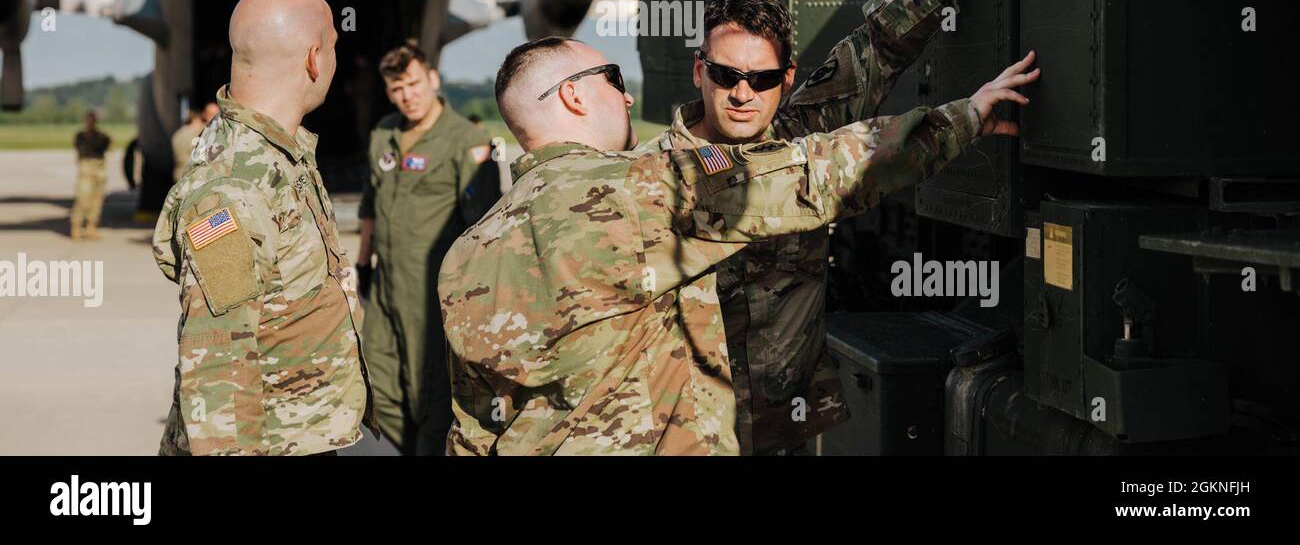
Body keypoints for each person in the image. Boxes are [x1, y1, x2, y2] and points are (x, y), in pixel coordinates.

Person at [437, 36, 1038, 454]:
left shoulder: (466, 252)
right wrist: (966, 117)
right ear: (572, 96)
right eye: (613, 80)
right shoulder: (638, 190)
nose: (625, 97)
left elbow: (474, 423)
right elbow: (813, 173)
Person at [644, 0, 1020, 454]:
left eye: (762, 78)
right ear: (700, 71)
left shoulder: (795, 128)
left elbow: (885, 36)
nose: (743, 92)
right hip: (685, 437)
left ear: (785, 77)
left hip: (778, 429)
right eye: (725, 74)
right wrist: (964, 119)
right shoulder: (653, 179)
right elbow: (842, 168)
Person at [152, 0, 373, 455]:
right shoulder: (236, 187)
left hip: (295, 437)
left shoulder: (276, 158)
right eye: (333, 45)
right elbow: (219, 369)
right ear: (315, 58)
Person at [357, 41, 499, 455]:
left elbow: (482, 225)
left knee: (430, 391)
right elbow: (370, 204)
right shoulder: (384, 133)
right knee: (376, 383)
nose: (408, 96)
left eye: (415, 84)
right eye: (398, 89)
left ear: (433, 80)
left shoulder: (466, 140)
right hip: (385, 285)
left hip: (433, 290)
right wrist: (363, 264)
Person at [70, 111, 111, 241]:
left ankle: (91, 227)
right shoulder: (81, 136)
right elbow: (79, 149)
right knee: (83, 198)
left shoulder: (101, 136)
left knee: (97, 199)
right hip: (87, 167)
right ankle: (76, 228)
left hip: (99, 167)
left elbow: (109, 145)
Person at [171, 101, 219, 182]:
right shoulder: (203, 134)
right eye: (213, 115)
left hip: (180, 177)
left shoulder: (178, 134)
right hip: (193, 178)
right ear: (203, 115)